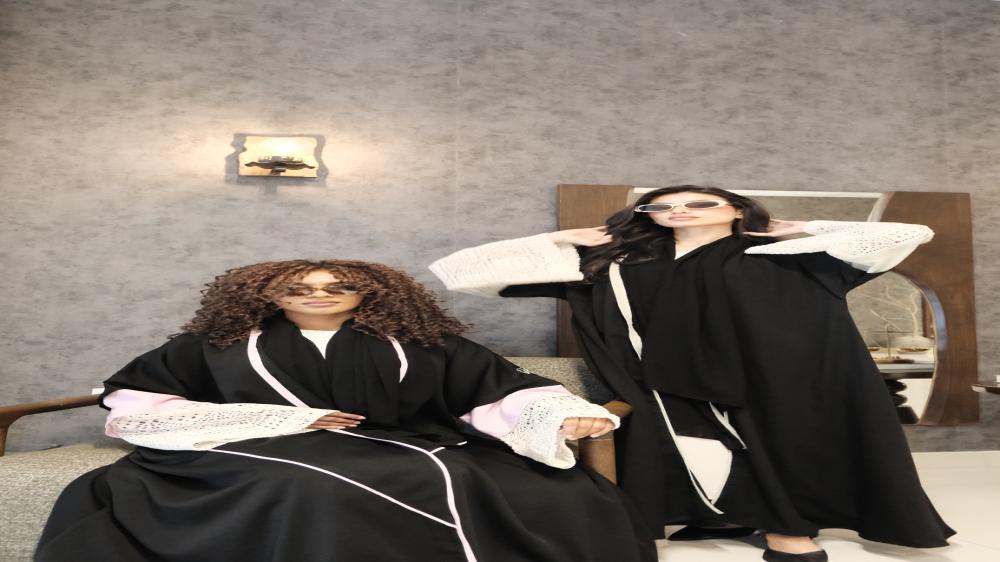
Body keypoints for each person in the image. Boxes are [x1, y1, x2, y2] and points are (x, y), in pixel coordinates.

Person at [430, 185, 955, 562]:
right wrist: (559, 237)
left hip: (772, 379)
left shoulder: (784, 255)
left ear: (736, 209)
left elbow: (907, 235)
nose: (678, 210)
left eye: (699, 203)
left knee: (779, 449)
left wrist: (807, 227)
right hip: (659, 381)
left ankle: (788, 529)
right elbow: (462, 272)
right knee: (688, 452)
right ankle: (729, 517)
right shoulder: (618, 264)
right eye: (661, 205)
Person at [36, 259, 657, 562]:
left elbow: (500, 388)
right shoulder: (215, 343)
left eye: (338, 286)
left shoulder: (420, 342)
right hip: (257, 449)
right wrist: (282, 420)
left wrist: (560, 416)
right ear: (266, 294)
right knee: (309, 485)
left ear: (370, 293)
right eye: (299, 288)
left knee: (457, 476)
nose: (319, 295)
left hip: (408, 440)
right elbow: (139, 401)